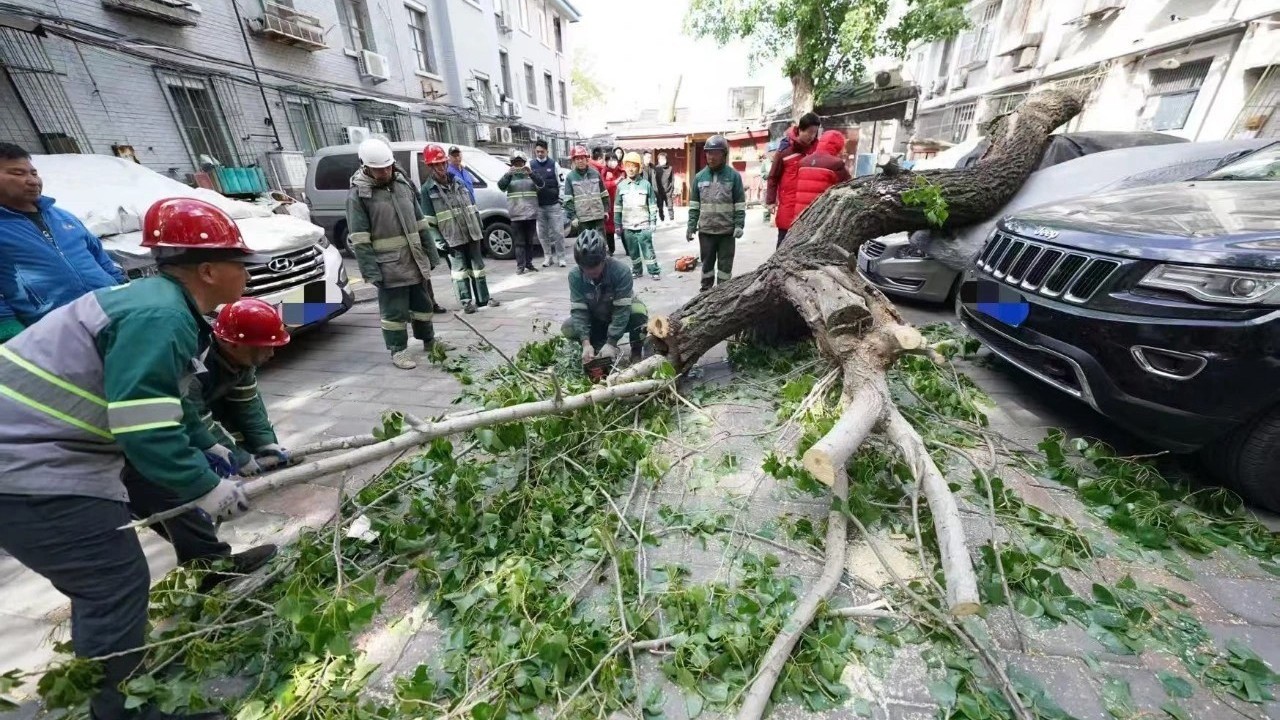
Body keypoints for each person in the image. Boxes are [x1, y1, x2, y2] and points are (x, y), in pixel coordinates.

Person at [0, 197, 266, 720]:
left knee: (160, 485)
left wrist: (208, 446)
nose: (247, 276)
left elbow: (165, 396)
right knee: (112, 580)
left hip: (52, 446)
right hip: (27, 465)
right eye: (242, 266)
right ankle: (124, 711)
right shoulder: (159, 315)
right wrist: (205, 486)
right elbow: (144, 427)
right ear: (209, 271)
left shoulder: (162, 304)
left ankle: (210, 564)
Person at [139, 298, 289, 592]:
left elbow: (247, 407)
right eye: (266, 346)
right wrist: (233, 458)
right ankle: (208, 564)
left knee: (175, 502)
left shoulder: (243, 360)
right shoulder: (193, 362)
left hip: (176, 414)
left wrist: (265, 447)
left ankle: (204, 556)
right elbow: (192, 418)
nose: (272, 353)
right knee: (170, 492)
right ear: (233, 344)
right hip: (137, 427)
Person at [0, 142, 127, 343]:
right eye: (18, 173)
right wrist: (7, 327)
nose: (32, 180)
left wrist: (122, 288)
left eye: (33, 173)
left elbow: (99, 256)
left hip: (112, 312)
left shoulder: (62, 216)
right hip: (56, 334)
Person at [347, 138, 444, 370]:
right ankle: (398, 350)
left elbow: (420, 222)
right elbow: (360, 238)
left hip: (414, 259)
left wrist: (431, 253)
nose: (384, 172)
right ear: (365, 166)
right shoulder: (359, 195)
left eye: (387, 167)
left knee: (423, 305)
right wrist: (370, 271)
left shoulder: (403, 184)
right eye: (378, 169)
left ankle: (429, 341)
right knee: (394, 312)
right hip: (388, 266)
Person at [421, 143, 501, 315]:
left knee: (478, 268)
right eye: (436, 164)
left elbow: (472, 205)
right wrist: (439, 242)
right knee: (459, 272)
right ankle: (466, 302)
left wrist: (479, 227)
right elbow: (429, 221)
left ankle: (483, 299)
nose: (441, 167)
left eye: (442, 163)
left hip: (472, 232)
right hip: (451, 237)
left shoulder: (458, 181)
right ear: (430, 166)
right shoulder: (428, 190)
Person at [561, 228, 648, 364]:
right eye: (586, 268)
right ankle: (595, 347)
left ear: (604, 259)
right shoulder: (575, 276)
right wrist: (585, 343)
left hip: (619, 315)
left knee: (639, 312)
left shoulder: (621, 271)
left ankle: (636, 351)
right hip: (596, 318)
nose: (591, 272)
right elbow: (579, 312)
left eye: (595, 266)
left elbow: (622, 311)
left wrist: (612, 342)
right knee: (568, 327)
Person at [686, 135, 746, 292]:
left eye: (716, 153)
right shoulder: (699, 177)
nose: (711, 157)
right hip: (706, 231)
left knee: (725, 267)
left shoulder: (734, 176)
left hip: (727, 232)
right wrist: (691, 226)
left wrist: (739, 225)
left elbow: (739, 204)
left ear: (724, 154)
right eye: (708, 153)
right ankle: (705, 293)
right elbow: (694, 206)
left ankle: (723, 294)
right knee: (707, 266)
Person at [767, 112, 821, 247]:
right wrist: (771, 201)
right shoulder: (785, 151)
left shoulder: (816, 151)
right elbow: (773, 176)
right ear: (800, 129)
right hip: (788, 207)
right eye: (809, 132)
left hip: (809, 209)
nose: (812, 136)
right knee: (783, 247)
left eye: (815, 133)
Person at [614, 151, 660, 280]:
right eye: (628, 165)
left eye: (633, 166)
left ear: (639, 168)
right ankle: (637, 270)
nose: (630, 169)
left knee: (648, 250)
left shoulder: (646, 185)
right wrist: (617, 225)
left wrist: (653, 222)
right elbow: (617, 207)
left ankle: (654, 271)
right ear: (624, 167)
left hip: (643, 224)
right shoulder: (621, 186)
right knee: (633, 252)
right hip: (628, 226)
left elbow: (652, 205)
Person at [791, 130, 852, 218]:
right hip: (819, 216)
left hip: (800, 215)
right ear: (838, 146)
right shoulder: (836, 164)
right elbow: (848, 186)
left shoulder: (803, 162)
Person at [498, 150, 539, 274]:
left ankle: (529, 264)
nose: (518, 166)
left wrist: (531, 173)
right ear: (512, 164)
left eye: (520, 163)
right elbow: (501, 186)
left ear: (525, 163)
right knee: (519, 243)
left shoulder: (530, 175)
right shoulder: (509, 176)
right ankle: (520, 266)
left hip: (531, 214)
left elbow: (541, 184)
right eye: (516, 163)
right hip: (516, 215)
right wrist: (508, 175)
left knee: (529, 241)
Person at [531, 139, 566, 268]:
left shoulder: (554, 165)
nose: (540, 154)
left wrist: (560, 200)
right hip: (539, 207)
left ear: (547, 151)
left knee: (558, 233)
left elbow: (562, 183)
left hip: (554, 205)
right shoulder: (530, 166)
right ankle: (548, 257)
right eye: (537, 151)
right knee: (542, 234)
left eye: (542, 151)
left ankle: (561, 257)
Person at [562, 145, 610, 239]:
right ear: (574, 161)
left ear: (586, 159)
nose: (580, 161)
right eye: (577, 159)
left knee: (600, 243)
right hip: (582, 219)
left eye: (582, 158)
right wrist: (573, 217)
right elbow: (568, 200)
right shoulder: (570, 177)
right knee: (585, 244)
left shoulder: (595, 173)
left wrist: (606, 210)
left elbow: (604, 194)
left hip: (598, 216)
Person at [601, 152, 626, 255]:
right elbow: (603, 186)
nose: (612, 162)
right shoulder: (604, 172)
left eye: (614, 160)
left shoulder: (622, 171)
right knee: (609, 228)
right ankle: (611, 249)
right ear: (606, 161)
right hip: (609, 202)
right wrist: (615, 182)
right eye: (609, 160)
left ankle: (629, 249)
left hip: (622, 202)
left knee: (623, 226)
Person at [653, 152, 675, 224]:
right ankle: (662, 219)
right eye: (661, 159)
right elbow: (654, 180)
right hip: (659, 191)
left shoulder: (670, 168)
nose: (662, 160)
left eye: (664, 159)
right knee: (660, 207)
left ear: (666, 159)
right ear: (658, 160)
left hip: (668, 191)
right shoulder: (656, 168)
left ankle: (672, 219)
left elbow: (672, 180)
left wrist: (671, 190)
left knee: (670, 206)